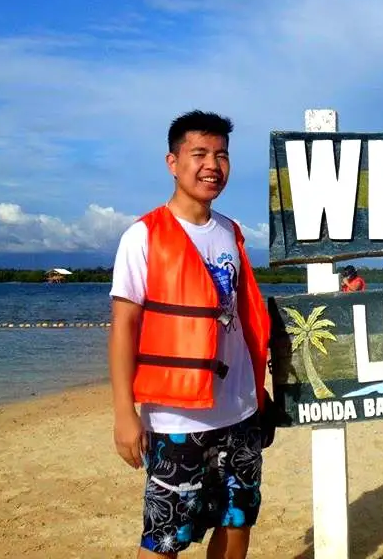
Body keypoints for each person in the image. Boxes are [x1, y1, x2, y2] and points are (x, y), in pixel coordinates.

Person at [107, 110, 271, 559]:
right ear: (172, 162)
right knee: (164, 538)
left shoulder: (231, 233)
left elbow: (239, 320)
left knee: (237, 522)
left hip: (240, 412)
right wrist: (125, 412)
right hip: (178, 419)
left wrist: (260, 392)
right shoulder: (144, 236)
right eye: (199, 154)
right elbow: (124, 326)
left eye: (221, 155)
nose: (212, 166)